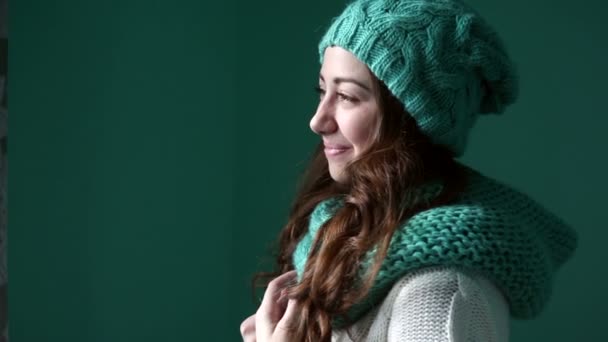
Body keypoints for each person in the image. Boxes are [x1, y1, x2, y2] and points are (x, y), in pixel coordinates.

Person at [240, 0, 579, 341]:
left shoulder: (440, 293)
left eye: (346, 96)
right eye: (322, 90)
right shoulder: (336, 247)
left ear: (410, 121)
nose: (317, 121)